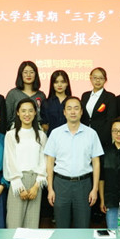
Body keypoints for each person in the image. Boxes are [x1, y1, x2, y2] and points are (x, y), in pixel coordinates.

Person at [45, 97, 104, 228]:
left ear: (81, 112)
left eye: (76, 108)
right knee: (61, 227)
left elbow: (96, 163)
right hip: (61, 184)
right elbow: (49, 163)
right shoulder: (55, 133)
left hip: (83, 185)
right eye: (69, 108)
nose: (73, 112)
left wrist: (94, 189)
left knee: (83, 226)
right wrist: (50, 189)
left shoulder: (91, 134)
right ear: (64, 112)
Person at [3, 98, 48, 229]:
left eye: (30, 111)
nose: (27, 114)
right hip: (17, 181)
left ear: (35, 113)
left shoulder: (41, 135)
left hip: (36, 182)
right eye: (23, 111)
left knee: (32, 225)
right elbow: (9, 160)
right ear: (17, 113)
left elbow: (44, 161)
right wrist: (19, 186)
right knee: (14, 224)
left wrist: (36, 186)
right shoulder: (11, 135)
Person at [80, 67, 117, 149]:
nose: (97, 80)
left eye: (101, 78)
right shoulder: (85, 95)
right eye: (95, 78)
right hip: (84, 135)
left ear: (105, 80)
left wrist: (101, 137)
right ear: (90, 78)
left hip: (102, 138)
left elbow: (110, 119)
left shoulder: (110, 97)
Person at [5, 61, 47, 130]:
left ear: (36, 74)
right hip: (16, 130)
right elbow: (7, 117)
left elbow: (43, 118)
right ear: (20, 74)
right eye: (25, 72)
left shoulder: (41, 95)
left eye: (31, 72)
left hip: (37, 131)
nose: (28, 75)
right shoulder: (13, 94)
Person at [41, 69, 71, 135]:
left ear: (67, 83)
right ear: (52, 84)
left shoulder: (72, 102)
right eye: (56, 82)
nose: (59, 85)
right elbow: (44, 123)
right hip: (51, 137)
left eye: (63, 82)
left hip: (70, 136)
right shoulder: (46, 103)